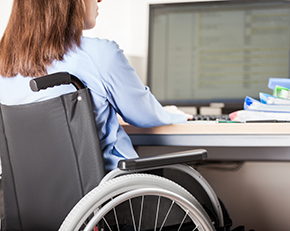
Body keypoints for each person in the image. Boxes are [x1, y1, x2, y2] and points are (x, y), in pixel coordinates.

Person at [0, 0, 192, 171]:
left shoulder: (5, 66)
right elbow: (144, 116)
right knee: (208, 200)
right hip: (110, 200)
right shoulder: (99, 55)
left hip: (37, 207)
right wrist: (176, 115)